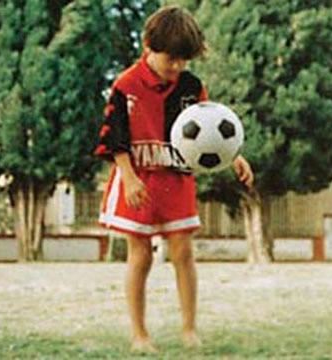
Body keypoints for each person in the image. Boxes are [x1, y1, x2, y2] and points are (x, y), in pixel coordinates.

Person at [94, 6, 254, 353]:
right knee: (141, 255)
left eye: (184, 60)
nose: (178, 67)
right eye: (171, 59)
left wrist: (234, 156)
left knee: (183, 250)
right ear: (148, 46)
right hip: (136, 178)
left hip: (176, 179)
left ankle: (189, 329)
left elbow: (212, 133)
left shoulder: (191, 87)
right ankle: (139, 334)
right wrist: (129, 176)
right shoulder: (125, 85)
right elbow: (112, 137)